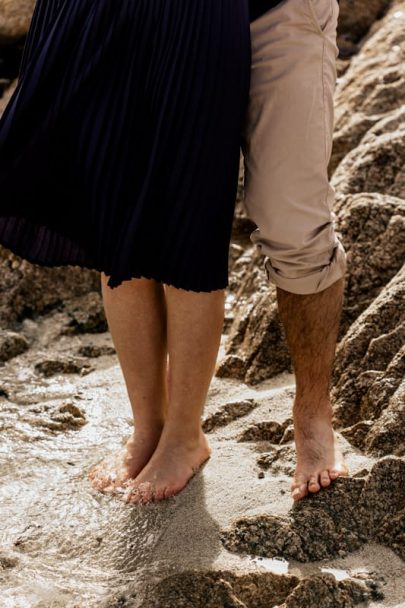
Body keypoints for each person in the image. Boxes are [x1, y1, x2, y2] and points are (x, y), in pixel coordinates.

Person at [0, 0, 251, 503]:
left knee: (186, 212)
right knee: (111, 211)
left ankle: (184, 434)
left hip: (195, 17)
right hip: (92, 13)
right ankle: (148, 426)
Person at [244, 0, 349, 501]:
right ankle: (167, 428)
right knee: (160, 218)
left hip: (279, 9)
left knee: (294, 221)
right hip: (169, 21)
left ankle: (312, 413)